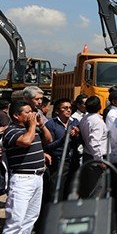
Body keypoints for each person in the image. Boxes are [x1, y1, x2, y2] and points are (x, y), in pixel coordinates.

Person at [2, 100, 52, 234]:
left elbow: (48, 140)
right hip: (22, 179)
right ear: (16, 116)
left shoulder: (32, 128)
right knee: (16, 221)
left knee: (30, 218)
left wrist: (41, 126)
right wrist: (31, 125)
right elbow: (25, 141)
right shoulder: (11, 131)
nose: (32, 114)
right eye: (28, 112)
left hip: (38, 177)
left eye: (32, 111)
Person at [44, 98, 81, 200]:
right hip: (59, 162)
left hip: (73, 160)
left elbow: (80, 141)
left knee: (71, 190)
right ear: (57, 111)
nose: (68, 110)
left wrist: (77, 135)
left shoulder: (75, 122)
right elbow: (48, 146)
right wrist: (63, 139)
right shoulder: (51, 124)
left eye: (70, 108)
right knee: (56, 191)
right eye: (65, 108)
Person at [79, 96, 108, 198]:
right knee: (97, 192)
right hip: (95, 159)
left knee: (90, 190)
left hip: (88, 156)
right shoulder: (97, 121)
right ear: (99, 106)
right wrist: (99, 160)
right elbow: (94, 142)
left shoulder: (84, 119)